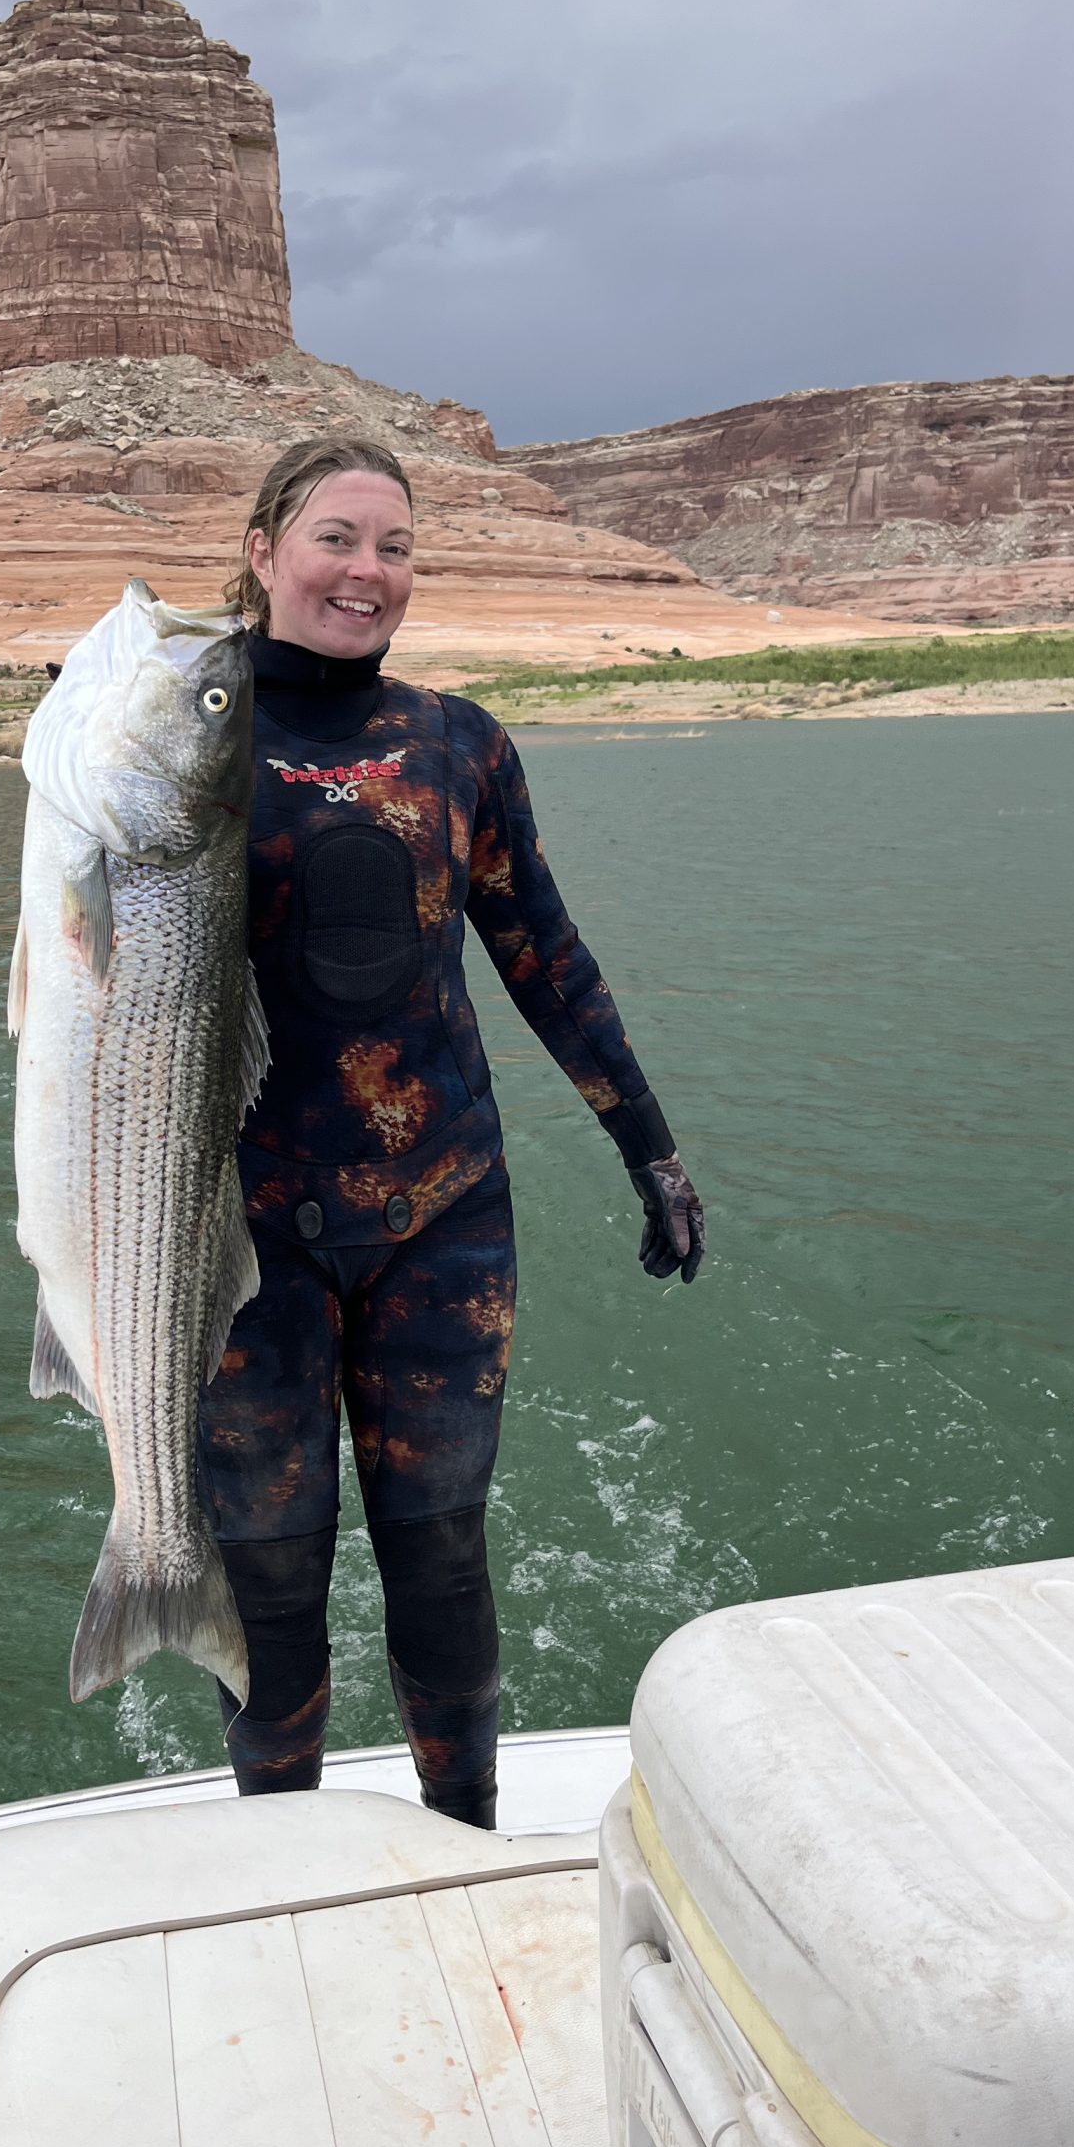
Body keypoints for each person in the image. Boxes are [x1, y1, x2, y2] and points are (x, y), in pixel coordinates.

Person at [198, 436, 704, 1828]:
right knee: (270, 1580)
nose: (368, 573)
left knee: (440, 1562)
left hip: (443, 1223)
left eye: (395, 547)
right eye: (336, 540)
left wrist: (645, 1144)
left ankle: (461, 1843)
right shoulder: (181, 733)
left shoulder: (457, 741)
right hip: (237, 1244)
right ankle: (281, 1862)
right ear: (262, 550)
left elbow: (543, 951)